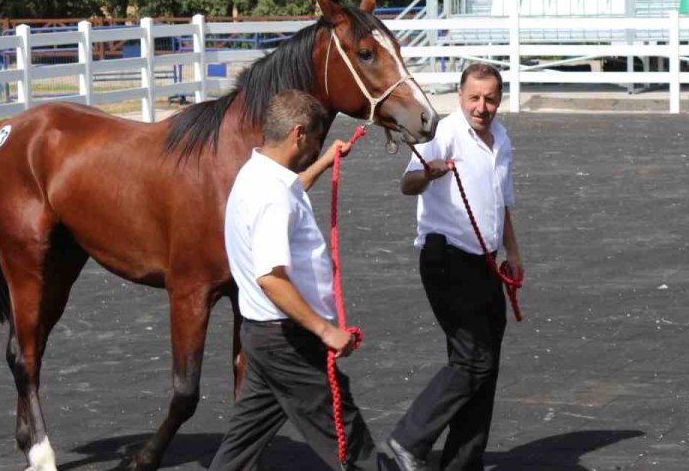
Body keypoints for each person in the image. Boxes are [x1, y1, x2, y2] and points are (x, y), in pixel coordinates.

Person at [209, 90, 391, 471]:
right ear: (298, 134)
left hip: (263, 337)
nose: (315, 145)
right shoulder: (271, 196)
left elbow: (292, 191)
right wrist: (325, 331)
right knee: (350, 439)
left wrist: (324, 163)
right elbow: (270, 279)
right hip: (288, 340)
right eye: (315, 139)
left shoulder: (256, 172)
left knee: (243, 444)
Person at [388, 63, 523, 471]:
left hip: (485, 262)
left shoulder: (502, 138)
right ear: (461, 97)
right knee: (473, 361)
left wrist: (512, 253)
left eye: (490, 98)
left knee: (486, 368)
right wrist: (429, 172)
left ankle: (463, 464)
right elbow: (407, 183)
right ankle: (409, 438)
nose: (482, 107)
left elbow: (503, 203)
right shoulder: (445, 132)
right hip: (446, 258)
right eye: (474, 98)